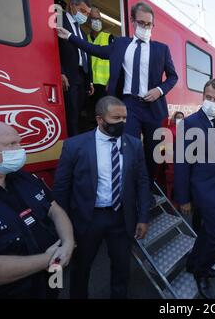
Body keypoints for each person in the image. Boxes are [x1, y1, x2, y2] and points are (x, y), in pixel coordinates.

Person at [57, 2, 178, 186]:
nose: (145, 27)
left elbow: (173, 77)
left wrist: (159, 90)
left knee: (153, 152)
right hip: (129, 105)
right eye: (141, 22)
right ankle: (133, 186)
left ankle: (149, 184)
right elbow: (96, 50)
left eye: (149, 24)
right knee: (129, 148)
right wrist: (71, 37)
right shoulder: (121, 44)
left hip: (153, 106)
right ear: (132, 21)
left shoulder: (162, 49)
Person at [53, 96, 150, 299]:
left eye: (125, 118)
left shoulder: (134, 145)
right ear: (100, 119)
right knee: (82, 268)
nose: (122, 122)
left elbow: (142, 183)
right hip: (88, 219)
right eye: (116, 118)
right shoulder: (74, 146)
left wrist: (143, 217)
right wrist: (63, 225)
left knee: (122, 268)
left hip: (121, 218)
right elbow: (61, 188)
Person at [0, 120, 75, 299]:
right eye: (11, 144)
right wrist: (48, 259)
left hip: (53, 276)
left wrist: (68, 242)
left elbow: (54, 209)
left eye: (19, 142)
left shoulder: (25, 178)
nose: (20, 150)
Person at [174, 79, 215, 299]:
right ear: (203, 96)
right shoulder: (190, 123)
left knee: (208, 232)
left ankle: (193, 263)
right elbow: (181, 163)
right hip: (201, 189)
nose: (211, 102)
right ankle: (201, 272)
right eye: (208, 97)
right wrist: (183, 198)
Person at [58, 0, 94, 137]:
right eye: (83, 11)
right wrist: (60, 72)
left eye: (87, 13)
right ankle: (73, 145)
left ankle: (78, 141)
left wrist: (90, 80)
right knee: (71, 115)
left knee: (80, 114)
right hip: (69, 75)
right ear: (72, 5)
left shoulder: (82, 32)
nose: (85, 15)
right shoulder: (59, 20)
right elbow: (52, 46)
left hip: (82, 76)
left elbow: (87, 56)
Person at [84, 6, 115, 131]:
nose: (96, 21)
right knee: (91, 116)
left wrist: (111, 80)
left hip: (104, 85)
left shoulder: (109, 38)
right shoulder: (84, 39)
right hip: (89, 84)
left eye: (98, 19)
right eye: (93, 19)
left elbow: (116, 60)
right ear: (88, 21)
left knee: (104, 115)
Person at [164, 111, 185, 200]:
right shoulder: (169, 130)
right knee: (171, 179)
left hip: (183, 158)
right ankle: (171, 202)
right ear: (174, 118)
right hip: (172, 159)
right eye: (178, 117)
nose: (180, 119)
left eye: (182, 118)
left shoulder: (185, 129)